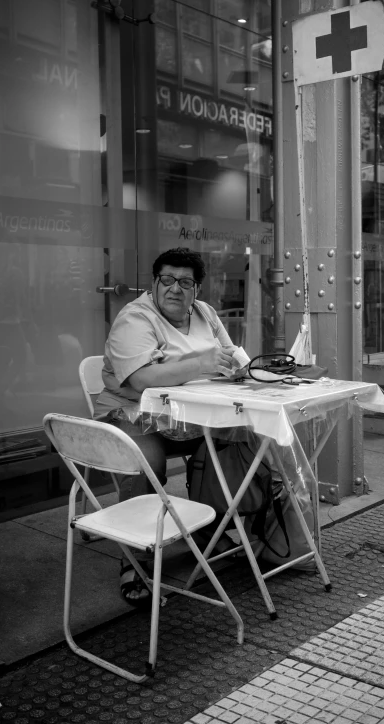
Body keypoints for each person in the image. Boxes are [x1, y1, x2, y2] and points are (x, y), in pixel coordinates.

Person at [94, 247, 240, 606]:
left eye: (186, 282)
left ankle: (211, 528)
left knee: (234, 441)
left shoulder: (205, 313)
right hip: (130, 415)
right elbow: (141, 379)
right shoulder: (135, 319)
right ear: (155, 283)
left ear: (197, 290)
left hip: (189, 416)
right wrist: (200, 363)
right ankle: (134, 560)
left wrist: (238, 368)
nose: (176, 288)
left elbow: (230, 355)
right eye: (168, 280)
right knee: (145, 460)